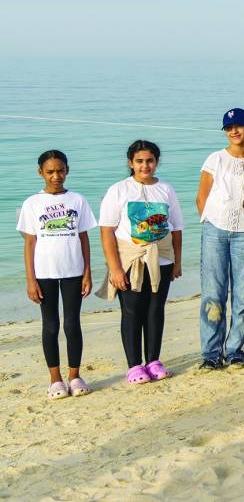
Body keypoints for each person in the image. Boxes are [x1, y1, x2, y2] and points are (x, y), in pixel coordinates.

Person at [97, 140, 184, 385]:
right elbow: (107, 230)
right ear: (130, 163)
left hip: (161, 258)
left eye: (150, 161)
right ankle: (134, 365)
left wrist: (176, 261)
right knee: (132, 311)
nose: (145, 166)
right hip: (130, 259)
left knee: (156, 310)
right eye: (139, 161)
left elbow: (176, 228)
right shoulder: (119, 190)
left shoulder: (166, 189)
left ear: (156, 162)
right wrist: (114, 268)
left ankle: (153, 361)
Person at [18, 150, 97, 398]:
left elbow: (83, 238)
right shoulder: (32, 203)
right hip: (44, 273)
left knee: (72, 324)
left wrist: (87, 272)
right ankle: (55, 379)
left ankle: (75, 376)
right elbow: (29, 243)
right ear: (40, 172)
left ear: (67, 170)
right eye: (50, 171)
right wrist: (31, 280)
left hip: (73, 271)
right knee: (50, 326)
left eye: (60, 170)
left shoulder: (78, 200)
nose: (56, 176)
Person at [195, 107, 244, 371]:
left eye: (239, 126)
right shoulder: (215, 159)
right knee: (213, 293)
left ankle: (234, 350)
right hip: (215, 232)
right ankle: (211, 352)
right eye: (229, 127)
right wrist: (212, 222)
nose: (234, 131)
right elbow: (202, 196)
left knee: (242, 293)